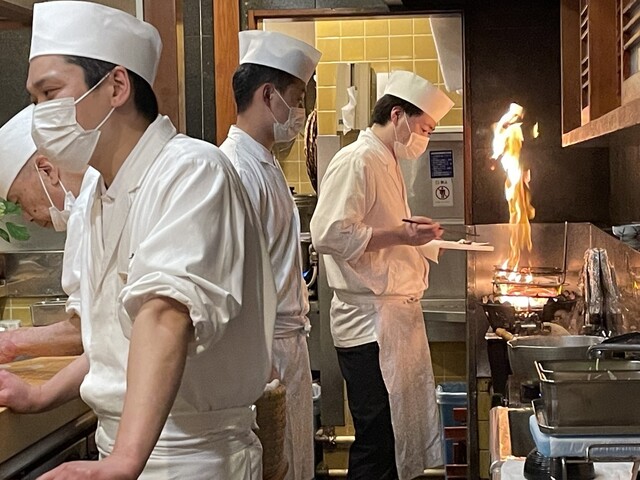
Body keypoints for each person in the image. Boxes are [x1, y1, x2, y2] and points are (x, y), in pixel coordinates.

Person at [0, 2, 276, 479]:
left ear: (116, 86)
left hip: (191, 458)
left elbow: (163, 315)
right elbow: (112, 340)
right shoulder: (96, 196)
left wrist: (124, 461)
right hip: (125, 446)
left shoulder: (191, 171)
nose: (40, 116)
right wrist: (41, 395)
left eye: (50, 93)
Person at [310, 70, 454, 480]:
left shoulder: (386, 160)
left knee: (393, 438)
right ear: (397, 115)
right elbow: (328, 233)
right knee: (375, 441)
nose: (424, 139)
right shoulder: (357, 159)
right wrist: (403, 235)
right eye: (425, 129)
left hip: (391, 320)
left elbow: (379, 230)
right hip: (368, 326)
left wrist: (420, 238)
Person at [220, 30, 321, 480]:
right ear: (268, 95)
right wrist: (255, 367)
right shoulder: (236, 168)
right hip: (263, 354)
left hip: (284, 346)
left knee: (294, 463)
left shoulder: (266, 161)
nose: (298, 113)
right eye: (296, 100)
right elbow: (232, 276)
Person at [0, 104, 99, 363]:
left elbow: (88, 331)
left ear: (47, 170)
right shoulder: (95, 196)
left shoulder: (90, 206)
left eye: (19, 200)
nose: (27, 217)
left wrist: (10, 342)